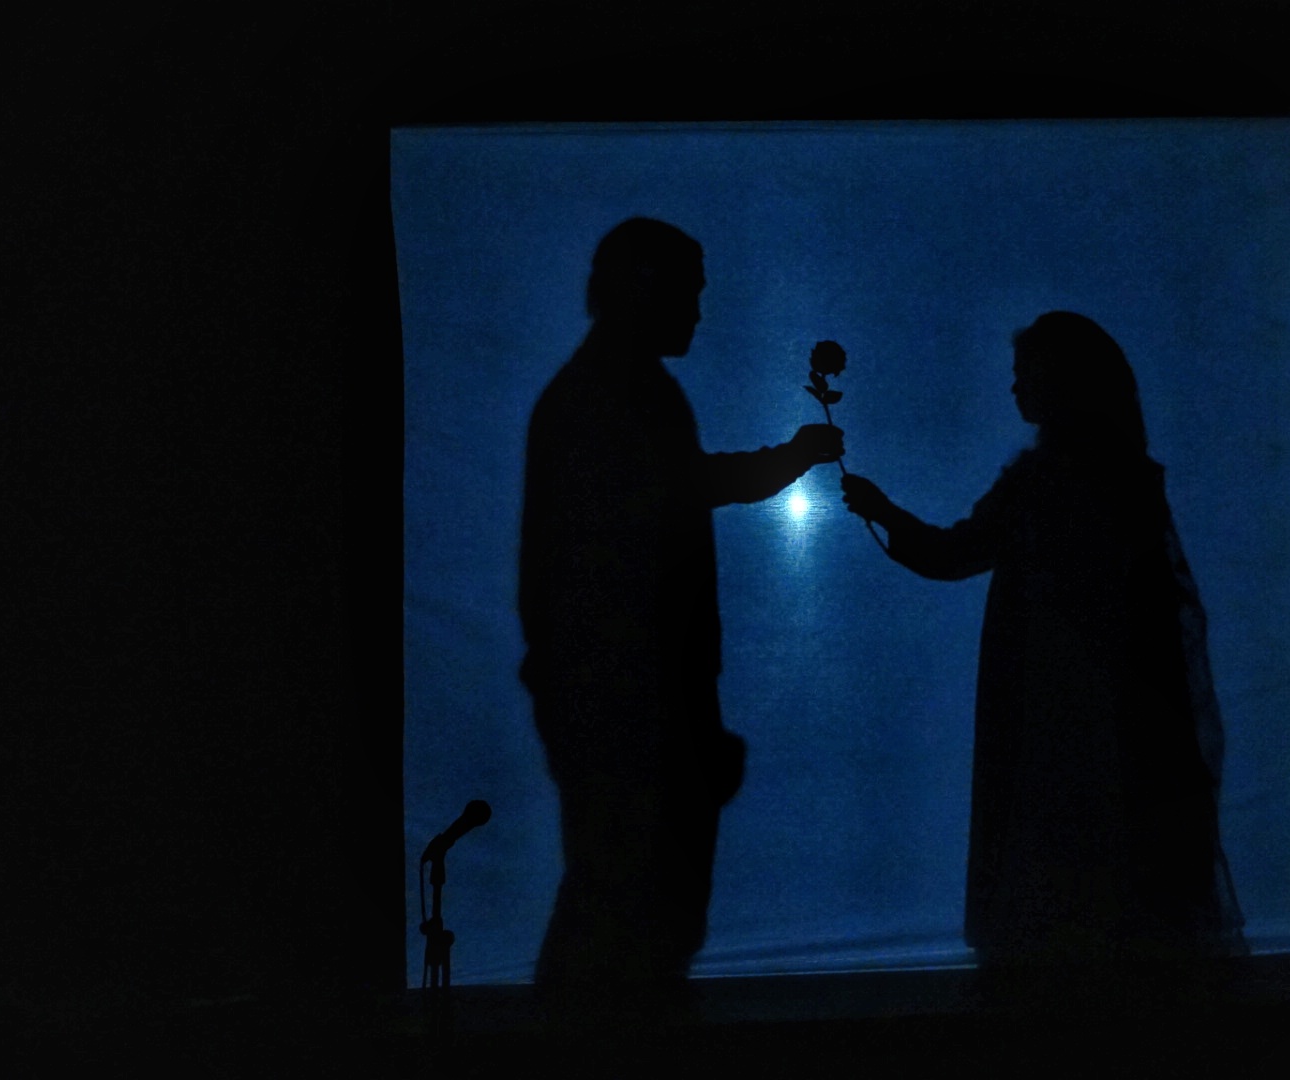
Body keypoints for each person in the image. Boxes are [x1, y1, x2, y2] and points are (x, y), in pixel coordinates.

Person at [839, 311, 1244, 999]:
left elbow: (955, 553)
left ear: (1060, 381)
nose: (1014, 388)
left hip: (1054, 714)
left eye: (1024, 374)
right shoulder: (1122, 476)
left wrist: (882, 510)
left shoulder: (1046, 482)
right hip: (1117, 716)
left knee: (1058, 859)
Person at [518, 218, 842, 1016]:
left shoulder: (602, 392)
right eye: (689, 292)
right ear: (644, 289)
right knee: (634, 915)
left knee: (621, 908)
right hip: (632, 707)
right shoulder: (614, 397)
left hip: (623, 705)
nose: (699, 310)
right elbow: (679, 494)